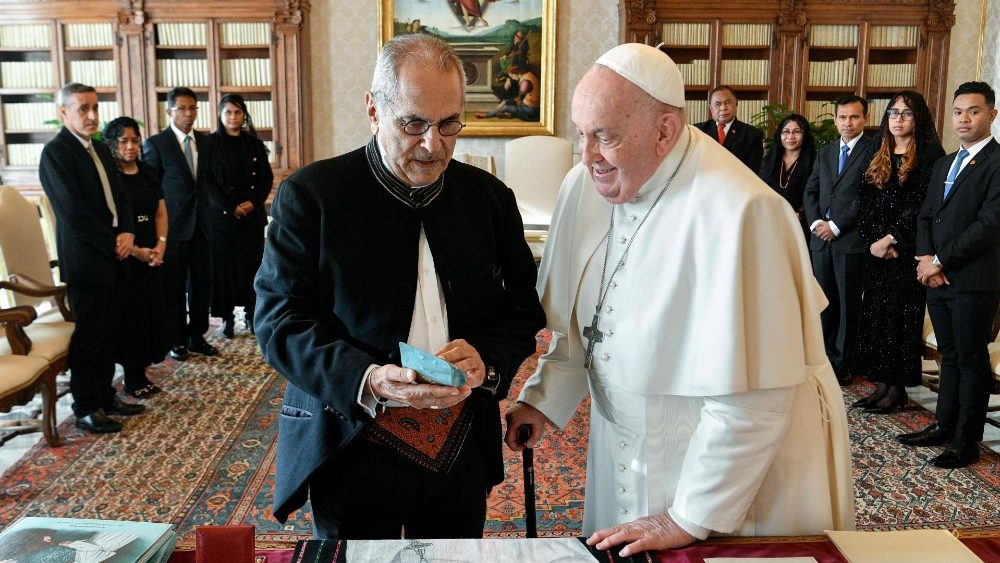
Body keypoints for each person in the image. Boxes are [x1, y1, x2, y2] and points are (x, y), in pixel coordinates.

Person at [504, 43, 853, 556]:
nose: (587, 157)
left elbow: (756, 397)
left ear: (665, 131)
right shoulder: (585, 184)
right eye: (581, 134)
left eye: (606, 137)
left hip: (723, 461)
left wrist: (690, 513)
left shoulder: (742, 212)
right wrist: (545, 395)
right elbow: (586, 323)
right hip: (619, 434)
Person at [254, 33, 545, 539]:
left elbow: (521, 311)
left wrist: (488, 360)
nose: (435, 145)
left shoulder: (489, 199)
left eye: (450, 123)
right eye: (413, 123)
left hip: (460, 449)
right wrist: (367, 379)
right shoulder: (313, 196)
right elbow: (279, 320)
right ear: (373, 110)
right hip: (352, 441)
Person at [899, 81, 1000, 469]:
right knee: (949, 354)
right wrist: (926, 259)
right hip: (936, 276)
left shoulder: (996, 162)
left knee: (971, 357)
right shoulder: (944, 163)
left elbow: (989, 225)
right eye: (958, 111)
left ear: (991, 114)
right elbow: (926, 214)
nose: (963, 118)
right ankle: (944, 424)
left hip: (973, 280)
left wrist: (941, 261)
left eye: (973, 111)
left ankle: (966, 440)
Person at [39, 83, 146, 434]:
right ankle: (86, 406)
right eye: (83, 108)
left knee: (110, 330)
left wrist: (128, 232)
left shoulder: (100, 149)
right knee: (90, 334)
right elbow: (73, 212)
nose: (92, 115)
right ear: (64, 113)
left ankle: (105, 396)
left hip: (115, 254)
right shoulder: (56, 154)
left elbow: (122, 199)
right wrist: (113, 241)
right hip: (87, 258)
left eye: (95, 107)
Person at [852, 91, 944, 414]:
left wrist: (892, 239)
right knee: (876, 317)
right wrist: (873, 240)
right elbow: (862, 203)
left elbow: (921, 205)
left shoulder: (931, 156)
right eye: (893, 112)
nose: (898, 118)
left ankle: (898, 389)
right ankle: (882, 384)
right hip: (877, 255)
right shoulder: (877, 150)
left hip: (906, 255)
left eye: (905, 113)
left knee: (899, 321)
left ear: (917, 118)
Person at [143, 86, 219, 361]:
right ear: (170, 111)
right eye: (183, 109)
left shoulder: (207, 141)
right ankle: (175, 339)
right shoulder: (157, 144)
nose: (189, 114)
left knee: (201, 285)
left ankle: (196, 335)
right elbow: (151, 189)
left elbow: (209, 181)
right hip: (172, 229)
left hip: (202, 225)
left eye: (193, 109)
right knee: (173, 288)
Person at [803, 94, 872, 385]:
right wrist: (818, 222)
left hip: (849, 241)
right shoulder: (827, 151)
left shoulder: (873, 151)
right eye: (842, 117)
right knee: (824, 302)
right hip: (821, 240)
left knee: (847, 304)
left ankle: (843, 363)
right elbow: (811, 191)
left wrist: (836, 225)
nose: (847, 123)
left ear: (865, 119)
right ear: (835, 119)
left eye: (854, 117)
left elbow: (867, 196)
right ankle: (825, 358)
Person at [104, 117, 169, 399]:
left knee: (150, 315)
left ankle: (142, 369)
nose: (130, 147)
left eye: (135, 140)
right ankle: (132, 377)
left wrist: (160, 246)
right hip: (124, 258)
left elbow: (160, 212)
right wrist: (139, 253)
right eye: (123, 141)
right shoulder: (109, 177)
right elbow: (110, 224)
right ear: (112, 144)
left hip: (152, 255)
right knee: (129, 319)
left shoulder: (147, 172)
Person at [207, 94, 272, 338]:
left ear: (244, 114)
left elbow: (265, 178)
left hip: (251, 218)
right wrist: (230, 207)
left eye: (237, 112)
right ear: (220, 116)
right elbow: (208, 182)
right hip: (223, 220)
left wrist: (253, 204)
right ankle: (226, 319)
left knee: (252, 268)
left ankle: (251, 315)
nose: (233, 117)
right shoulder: (210, 144)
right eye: (228, 113)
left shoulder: (254, 144)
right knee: (224, 270)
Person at [758, 113, 816, 241]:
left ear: (805, 135)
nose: (790, 136)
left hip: (801, 225)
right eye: (785, 131)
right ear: (779, 135)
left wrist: (801, 214)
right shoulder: (769, 161)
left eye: (796, 132)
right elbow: (760, 190)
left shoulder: (815, 162)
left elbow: (816, 194)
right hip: (771, 222)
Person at [696, 86, 764, 172]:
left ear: (736, 104)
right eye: (717, 104)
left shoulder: (752, 134)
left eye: (728, 102)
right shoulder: (698, 131)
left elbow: (753, 171)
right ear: (711, 108)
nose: (723, 108)